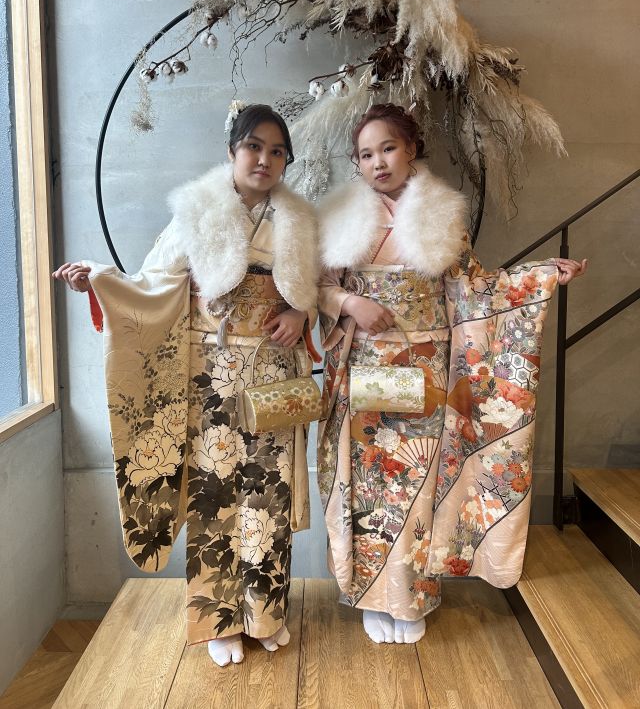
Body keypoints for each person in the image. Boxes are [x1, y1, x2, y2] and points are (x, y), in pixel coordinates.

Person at [54, 103, 319, 666]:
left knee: (266, 496)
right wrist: (100, 281)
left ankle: (265, 613)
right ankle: (219, 620)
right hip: (211, 378)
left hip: (273, 374)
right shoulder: (198, 213)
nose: (265, 159)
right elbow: (151, 283)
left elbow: (312, 292)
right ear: (231, 152)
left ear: (286, 161)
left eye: (277, 151)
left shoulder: (298, 220)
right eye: (253, 147)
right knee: (214, 493)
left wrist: (302, 314)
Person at [316, 103, 586, 645]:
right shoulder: (341, 216)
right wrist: (348, 302)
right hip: (362, 367)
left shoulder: (442, 215)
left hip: (426, 369)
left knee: (419, 485)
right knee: (369, 487)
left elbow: (478, 289)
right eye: (365, 155)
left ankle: (410, 598)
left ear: (411, 148)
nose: (378, 163)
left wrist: (539, 278)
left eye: (388, 148)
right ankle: (370, 597)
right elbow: (314, 288)